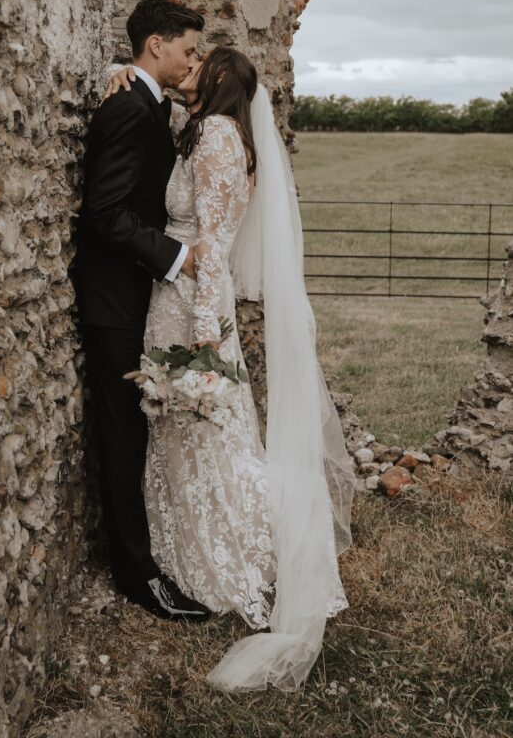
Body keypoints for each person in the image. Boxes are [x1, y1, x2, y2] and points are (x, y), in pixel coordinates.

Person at [103, 45, 356, 691]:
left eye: (197, 64)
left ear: (216, 81)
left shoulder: (217, 134)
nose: (186, 68)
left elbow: (211, 244)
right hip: (181, 295)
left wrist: (202, 339)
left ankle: (226, 557)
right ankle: (190, 549)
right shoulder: (210, 131)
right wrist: (118, 72)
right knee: (191, 430)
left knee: (200, 425)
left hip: (189, 301)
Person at [73, 0, 211, 622]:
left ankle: (147, 557)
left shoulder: (145, 100)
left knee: (138, 431)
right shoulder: (130, 107)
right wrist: (178, 256)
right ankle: (137, 575)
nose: (193, 60)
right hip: (115, 303)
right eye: (187, 48)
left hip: (137, 296)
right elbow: (104, 214)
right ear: (155, 45)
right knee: (123, 435)